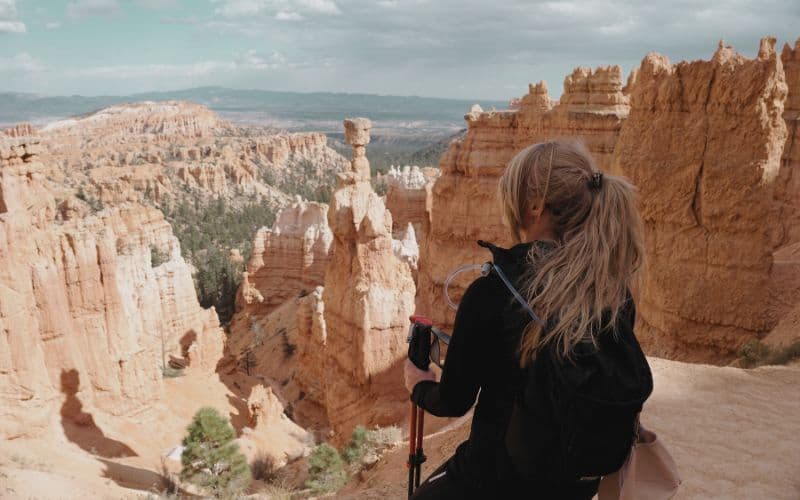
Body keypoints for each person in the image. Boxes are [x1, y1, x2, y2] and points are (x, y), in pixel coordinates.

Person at [403, 139, 652, 499]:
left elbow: (453, 401)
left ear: (534, 207)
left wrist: (419, 384)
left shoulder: (492, 292)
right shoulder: (612, 291)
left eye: (513, 191)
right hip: (572, 486)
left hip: (494, 480)